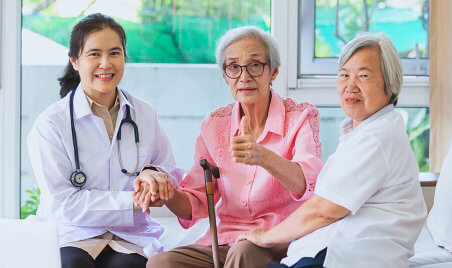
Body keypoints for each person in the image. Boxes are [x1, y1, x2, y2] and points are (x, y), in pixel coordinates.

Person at [133, 26, 324, 268]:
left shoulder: (300, 117)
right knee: (162, 263)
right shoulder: (214, 124)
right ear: (225, 76)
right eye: (233, 67)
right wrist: (167, 193)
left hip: (280, 238)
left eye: (255, 65)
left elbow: (308, 185)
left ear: (273, 71)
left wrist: (262, 157)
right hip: (224, 241)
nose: (244, 76)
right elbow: (196, 202)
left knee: (243, 253)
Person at [238, 32, 428, 268]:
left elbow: (323, 210)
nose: (350, 86)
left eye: (364, 75)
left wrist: (266, 236)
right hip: (330, 251)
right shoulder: (365, 131)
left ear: (390, 84)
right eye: (344, 75)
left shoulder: (378, 137)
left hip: (347, 255)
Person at [27, 13, 182, 268]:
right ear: (75, 61)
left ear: (124, 57)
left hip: (129, 234)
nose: (105, 63)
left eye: (114, 53)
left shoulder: (143, 113)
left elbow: (169, 168)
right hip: (72, 233)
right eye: (94, 54)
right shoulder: (51, 124)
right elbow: (65, 202)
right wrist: (132, 200)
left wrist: (155, 179)